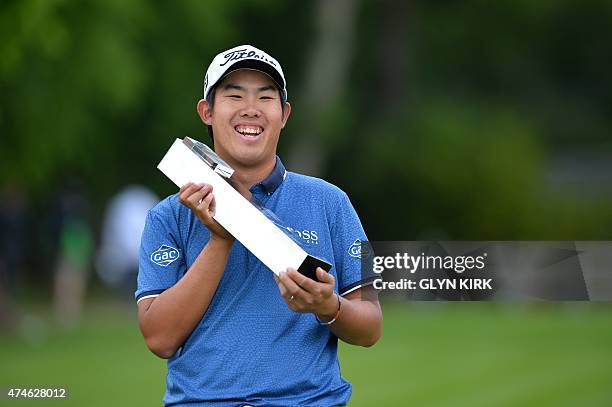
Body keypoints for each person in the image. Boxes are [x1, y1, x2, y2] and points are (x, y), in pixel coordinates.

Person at [136, 44, 382, 407]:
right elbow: (160, 338)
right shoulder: (168, 215)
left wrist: (329, 306)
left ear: (284, 114)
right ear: (207, 111)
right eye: (234, 95)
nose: (250, 108)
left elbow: (371, 326)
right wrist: (220, 241)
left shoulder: (332, 203)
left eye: (265, 97)